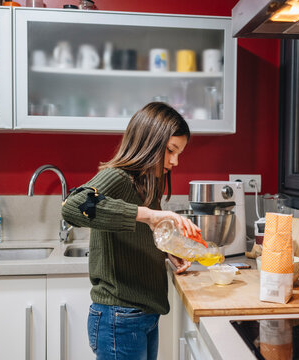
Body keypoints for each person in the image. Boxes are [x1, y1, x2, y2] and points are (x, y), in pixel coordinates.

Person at [61, 102, 200, 360]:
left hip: (142, 315)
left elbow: (137, 233)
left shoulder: (146, 184)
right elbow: (74, 206)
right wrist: (150, 214)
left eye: (179, 153)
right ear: (149, 142)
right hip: (119, 318)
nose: (175, 161)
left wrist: (167, 253)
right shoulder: (118, 176)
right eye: (170, 150)